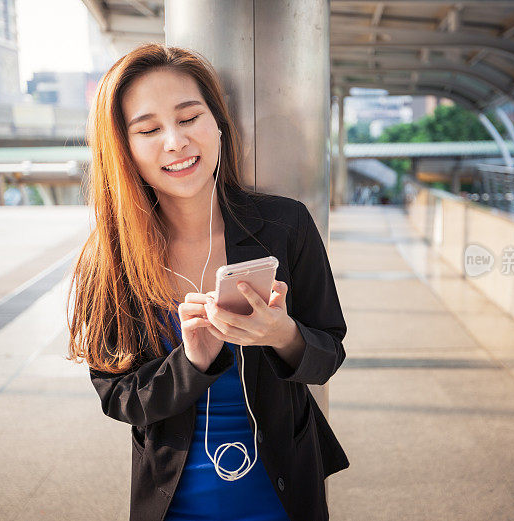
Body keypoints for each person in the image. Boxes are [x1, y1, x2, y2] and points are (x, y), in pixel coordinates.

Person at [66, 42, 349, 521]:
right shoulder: (110, 259)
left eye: (189, 117)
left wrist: (283, 335)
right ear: (125, 150)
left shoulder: (285, 225)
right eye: (149, 129)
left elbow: (328, 354)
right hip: (174, 504)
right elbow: (118, 397)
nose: (175, 142)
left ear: (218, 124)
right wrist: (192, 362)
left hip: (283, 496)